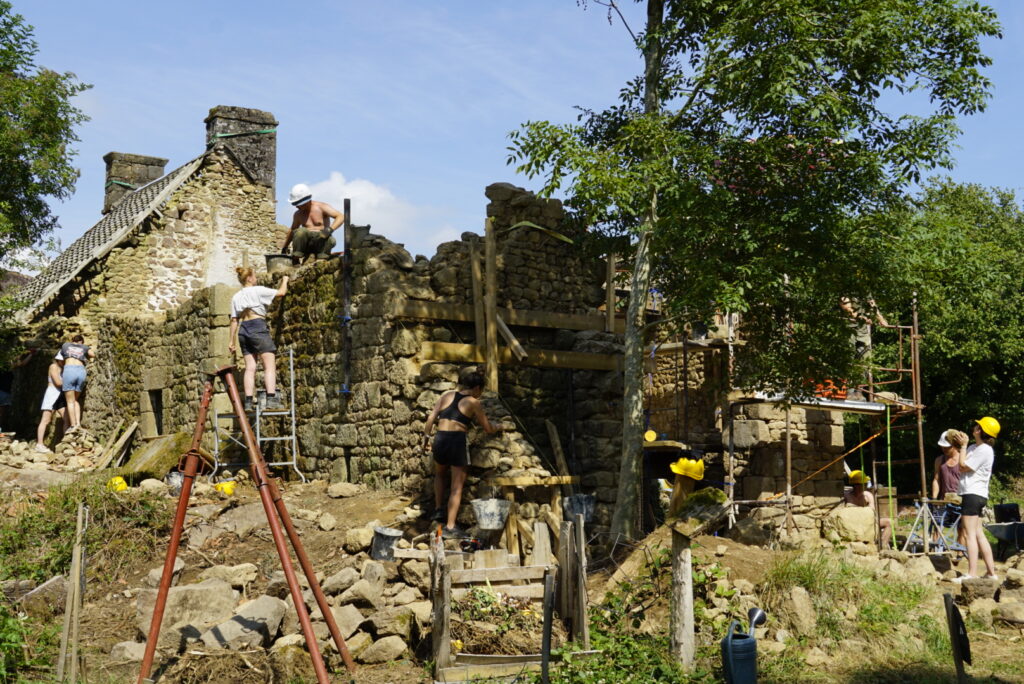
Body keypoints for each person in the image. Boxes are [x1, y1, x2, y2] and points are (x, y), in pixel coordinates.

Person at [422, 369, 499, 538]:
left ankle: (438, 510)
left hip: (440, 438)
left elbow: (431, 418)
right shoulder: (473, 402)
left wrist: (426, 439)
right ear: (477, 388)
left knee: (440, 474)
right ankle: (450, 526)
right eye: (482, 390)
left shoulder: (446, 396)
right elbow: (487, 428)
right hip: (456, 440)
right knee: (457, 487)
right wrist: (498, 427)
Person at [228, 266, 289, 411]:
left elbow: (234, 320)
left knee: (250, 368)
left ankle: (248, 402)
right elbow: (281, 293)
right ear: (249, 278)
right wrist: (285, 280)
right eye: (254, 276)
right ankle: (271, 399)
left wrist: (231, 341)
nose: (256, 278)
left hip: (243, 330)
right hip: (257, 326)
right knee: (269, 365)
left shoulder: (236, 297)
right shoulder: (258, 290)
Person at [952, 417, 1000, 582]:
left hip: (974, 494)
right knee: (979, 534)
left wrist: (964, 446)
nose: (974, 427)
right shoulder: (975, 447)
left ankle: (971, 573)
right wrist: (961, 444)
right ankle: (991, 572)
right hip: (973, 494)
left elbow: (963, 466)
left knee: (969, 534)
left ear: (981, 430)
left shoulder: (985, 450)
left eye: (977, 425)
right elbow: (961, 460)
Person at [281, 183, 345, 263]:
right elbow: (292, 230)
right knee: (300, 231)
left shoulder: (321, 207)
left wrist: (330, 230)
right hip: (306, 245)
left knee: (330, 239)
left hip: (321, 242)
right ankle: (296, 258)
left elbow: (340, 216)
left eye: (298, 204)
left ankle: (322, 259)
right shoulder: (298, 214)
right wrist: (285, 247)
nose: (296, 206)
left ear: (306, 201)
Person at [839, 297, 888, 400]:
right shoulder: (847, 287)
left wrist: (881, 319)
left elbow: (872, 305)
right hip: (848, 331)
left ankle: (859, 391)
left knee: (865, 362)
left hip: (863, 333)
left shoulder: (865, 291)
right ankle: (849, 391)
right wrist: (861, 318)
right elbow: (845, 306)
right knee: (850, 361)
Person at [932, 429, 967, 543]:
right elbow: (936, 480)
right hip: (944, 500)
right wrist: (934, 499)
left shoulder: (964, 459)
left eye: (947, 447)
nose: (944, 449)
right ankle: (936, 553)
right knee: (937, 525)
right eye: (942, 447)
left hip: (960, 501)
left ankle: (959, 554)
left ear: (954, 445)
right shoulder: (939, 460)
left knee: (962, 529)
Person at [845, 470, 892, 548]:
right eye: (865, 483)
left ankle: (882, 546)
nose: (866, 485)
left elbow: (872, 513)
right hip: (853, 524)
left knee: (889, 522)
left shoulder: (867, 496)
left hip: (867, 522)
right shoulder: (846, 496)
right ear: (857, 485)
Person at [59, 334, 94, 432]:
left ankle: (73, 425)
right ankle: (78, 424)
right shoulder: (84, 347)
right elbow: (93, 354)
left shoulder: (65, 345)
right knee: (75, 400)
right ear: (82, 342)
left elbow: (60, 360)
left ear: (72, 340)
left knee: (70, 401)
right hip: (81, 370)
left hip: (69, 370)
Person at [35, 357, 67, 453]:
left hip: (60, 396)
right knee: (46, 420)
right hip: (52, 395)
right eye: (63, 360)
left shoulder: (64, 368)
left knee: (67, 418)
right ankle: (39, 444)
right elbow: (57, 382)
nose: (64, 362)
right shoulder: (53, 366)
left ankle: (66, 443)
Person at [0, 348, 35, 432]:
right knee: (2, 413)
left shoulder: (5, 365)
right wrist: (31, 354)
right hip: (4, 392)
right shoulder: (9, 366)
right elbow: (22, 363)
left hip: (4, 392)